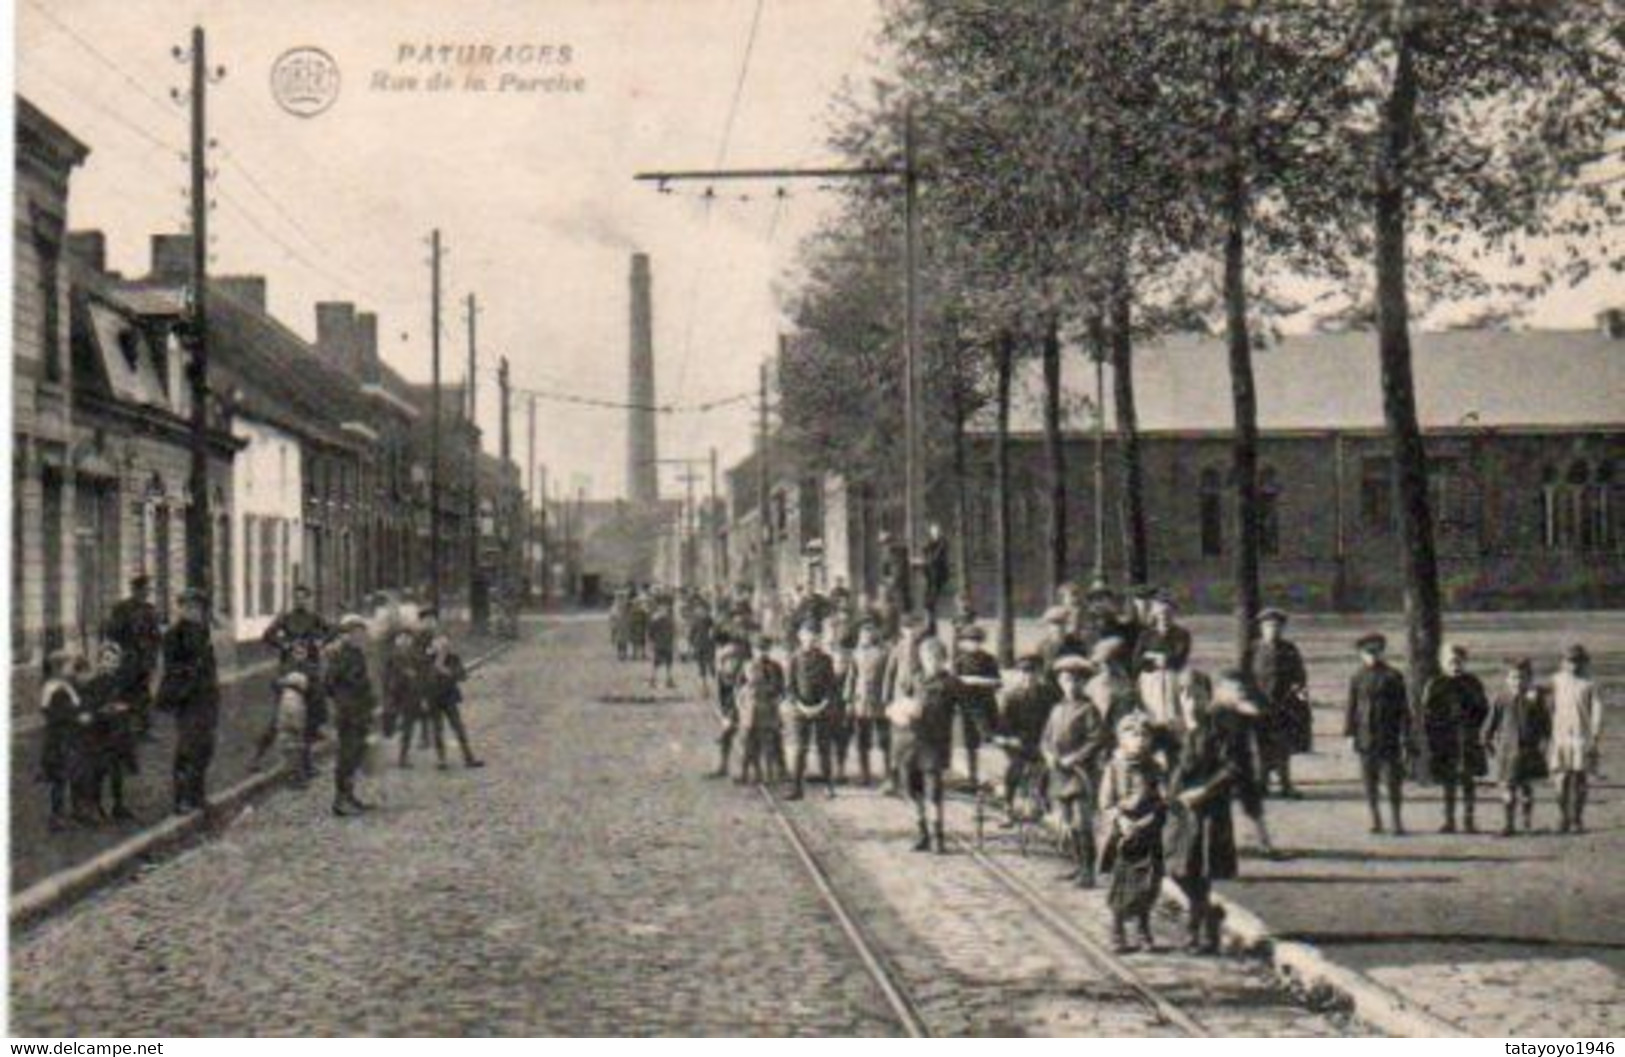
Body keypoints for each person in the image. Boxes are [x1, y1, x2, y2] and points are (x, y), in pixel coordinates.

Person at [1164, 664, 1253, 955]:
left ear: (1207, 695)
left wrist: (1204, 790)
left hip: (1208, 809)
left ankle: (1198, 930)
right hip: (1179, 811)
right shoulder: (1173, 729)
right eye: (1183, 693)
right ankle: (1208, 915)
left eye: (1195, 693)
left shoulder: (1220, 726)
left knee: (1199, 870)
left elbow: (1233, 767)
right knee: (1176, 871)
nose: (1189, 700)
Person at [1042, 655, 1118, 887]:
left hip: (1080, 775)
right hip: (1059, 774)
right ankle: (1077, 864)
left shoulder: (1088, 709)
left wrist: (1074, 757)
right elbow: (1045, 738)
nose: (1071, 685)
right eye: (1066, 680)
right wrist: (1048, 755)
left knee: (1081, 822)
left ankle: (1088, 871)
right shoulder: (1056, 709)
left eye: (1076, 680)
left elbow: (1098, 739)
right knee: (1067, 822)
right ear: (1059, 682)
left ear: (1083, 683)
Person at [1098, 712, 1167, 954]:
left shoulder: (1155, 768)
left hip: (1148, 831)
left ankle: (1143, 928)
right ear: (1121, 740)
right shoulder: (1114, 767)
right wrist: (1121, 819)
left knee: (1147, 883)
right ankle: (1117, 930)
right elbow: (1106, 802)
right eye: (1133, 735)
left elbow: (1162, 801)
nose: (1139, 740)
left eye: (1144, 735)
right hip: (1122, 834)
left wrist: (1149, 819)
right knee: (1121, 882)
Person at [156, 588, 221, 816]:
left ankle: (197, 795)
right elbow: (172, 667)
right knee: (187, 747)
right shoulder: (173, 635)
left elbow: (210, 668)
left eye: (197, 608)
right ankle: (181, 799)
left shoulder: (203, 632)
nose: (193, 611)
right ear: (180, 608)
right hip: (187, 698)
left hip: (206, 698)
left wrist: (213, 693)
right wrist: (190, 674)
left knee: (205, 747)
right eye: (189, 607)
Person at [891, 637, 958, 853]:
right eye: (927, 657)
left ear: (943, 660)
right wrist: (900, 711)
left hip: (934, 745)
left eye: (936, 658)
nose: (931, 662)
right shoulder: (916, 679)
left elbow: (970, 708)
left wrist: (987, 731)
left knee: (933, 792)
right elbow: (901, 702)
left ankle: (937, 837)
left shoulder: (950, 683)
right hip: (910, 743)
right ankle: (923, 834)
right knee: (912, 791)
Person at [261, 584, 337, 768]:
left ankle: (308, 758)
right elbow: (267, 635)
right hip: (290, 667)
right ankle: (259, 755)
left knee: (313, 710)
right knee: (281, 713)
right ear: (293, 599)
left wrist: (320, 643)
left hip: (310, 666)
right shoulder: (286, 618)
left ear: (309, 599)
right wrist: (284, 645)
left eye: (304, 597)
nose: (300, 600)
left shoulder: (314, 618)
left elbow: (333, 631)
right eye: (297, 597)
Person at [1419, 643, 1491, 833]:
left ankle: (1469, 819)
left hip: (1467, 737)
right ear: (1443, 663)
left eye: (1459, 662)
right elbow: (1428, 713)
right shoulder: (1436, 684)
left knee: (1468, 780)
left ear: (1465, 662)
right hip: (1445, 739)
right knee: (1448, 780)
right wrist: (1433, 735)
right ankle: (1449, 820)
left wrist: (1474, 725)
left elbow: (1483, 709)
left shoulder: (1472, 683)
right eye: (1451, 662)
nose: (1455, 666)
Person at [1345, 632, 1411, 835]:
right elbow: (1352, 707)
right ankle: (1376, 820)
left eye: (1376, 652)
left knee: (1392, 782)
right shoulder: (1357, 677)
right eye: (1367, 653)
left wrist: (1405, 734)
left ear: (1382, 653)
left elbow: (1403, 708)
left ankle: (1397, 822)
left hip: (1388, 736)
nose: (1372, 656)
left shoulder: (1393, 676)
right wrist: (1350, 733)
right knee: (1369, 782)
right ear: (1361, 655)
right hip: (1365, 737)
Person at [1484, 657, 1550, 836]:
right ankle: (1508, 824)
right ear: (1507, 680)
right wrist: (1487, 740)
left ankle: (1526, 823)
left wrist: (1544, 743)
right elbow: (1491, 722)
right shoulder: (1501, 699)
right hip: (1507, 752)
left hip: (1529, 751)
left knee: (1526, 787)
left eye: (1522, 678)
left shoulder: (1535, 701)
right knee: (1508, 787)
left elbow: (1546, 725)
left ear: (1529, 679)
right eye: (1514, 678)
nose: (1518, 682)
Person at [1249, 608, 1310, 798]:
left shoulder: (1289, 649)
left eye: (1277, 626)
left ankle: (1285, 784)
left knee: (1283, 747)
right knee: (1260, 746)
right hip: (1259, 706)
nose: (1273, 630)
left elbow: (1299, 675)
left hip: (1284, 705)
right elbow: (1243, 676)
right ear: (1261, 628)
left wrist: (1299, 690)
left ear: (1282, 628)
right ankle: (1261, 785)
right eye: (1268, 626)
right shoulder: (1253, 649)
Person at [995, 649, 1056, 822]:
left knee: (1046, 767)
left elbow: (1054, 720)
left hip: (1041, 742)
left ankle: (1042, 797)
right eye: (1024, 672)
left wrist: (1049, 742)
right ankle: (1008, 805)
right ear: (1019, 674)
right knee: (1015, 768)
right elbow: (1003, 726)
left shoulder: (1049, 695)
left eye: (1033, 672)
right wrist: (1010, 739)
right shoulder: (1011, 697)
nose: (1028, 677)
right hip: (1018, 743)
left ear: (1039, 673)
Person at [1548, 644, 1603, 834]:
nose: (1574, 666)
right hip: (1560, 736)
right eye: (1569, 662)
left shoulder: (1590, 684)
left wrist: (1595, 734)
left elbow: (1597, 709)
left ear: (1585, 663)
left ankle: (1577, 819)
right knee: (1560, 778)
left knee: (1579, 778)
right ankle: (1563, 817)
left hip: (1581, 736)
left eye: (1578, 662)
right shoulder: (1556, 681)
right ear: (1562, 663)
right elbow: (1549, 706)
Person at [327, 614, 377, 816]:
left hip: (359, 710)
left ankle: (349, 795)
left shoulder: (355, 653)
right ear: (345, 634)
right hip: (348, 711)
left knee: (356, 754)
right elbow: (329, 682)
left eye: (361, 632)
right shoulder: (340, 655)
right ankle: (340, 800)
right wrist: (344, 699)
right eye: (355, 632)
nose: (359, 635)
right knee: (346, 756)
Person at [102, 573, 162, 738]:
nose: (146, 593)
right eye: (143, 590)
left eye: (148, 590)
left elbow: (156, 636)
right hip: (128, 658)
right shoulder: (122, 608)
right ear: (134, 590)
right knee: (124, 693)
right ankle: (123, 728)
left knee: (144, 694)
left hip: (144, 659)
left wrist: (153, 657)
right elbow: (112, 633)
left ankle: (145, 729)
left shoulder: (150, 610)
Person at [85, 641, 139, 822]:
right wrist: (106, 710)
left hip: (118, 732)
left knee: (117, 771)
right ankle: (96, 806)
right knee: (99, 771)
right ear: (99, 661)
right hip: (100, 733)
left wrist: (127, 708)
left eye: (115, 660)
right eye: (107, 659)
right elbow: (90, 710)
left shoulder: (120, 682)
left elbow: (131, 702)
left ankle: (118, 805)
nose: (111, 664)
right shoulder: (93, 684)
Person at [38, 649, 91, 829]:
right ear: (60, 668)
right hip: (61, 740)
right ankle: (57, 817)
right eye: (69, 665)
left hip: (66, 738)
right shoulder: (56, 689)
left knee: (71, 774)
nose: (72, 668)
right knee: (60, 778)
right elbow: (57, 714)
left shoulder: (63, 685)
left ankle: (73, 812)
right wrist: (78, 718)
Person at [786, 622, 839, 800]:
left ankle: (828, 787)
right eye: (807, 636)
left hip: (822, 710)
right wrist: (801, 706)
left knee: (824, 749)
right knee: (800, 750)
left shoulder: (826, 660)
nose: (810, 640)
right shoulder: (794, 659)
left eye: (814, 637)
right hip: (801, 710)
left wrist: (821, 705)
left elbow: (832, 687)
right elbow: (790, 687)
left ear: (818, 639)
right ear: (800, 637)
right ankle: (796, 788)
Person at [880, 615, 927, 796]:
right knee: (896, 740)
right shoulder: (897, 648)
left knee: (915, 737)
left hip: (916, 698)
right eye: (907, 629)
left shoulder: (922, 648)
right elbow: (889, 672)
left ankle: (914, 780)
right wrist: (886, 697)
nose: (911, 632)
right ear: (902, 630)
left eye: (914, 628)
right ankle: (892, 779)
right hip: (898, 698)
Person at [425, 631, 485, 770]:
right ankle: (441, 760)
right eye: (438, 643)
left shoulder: (453, 658)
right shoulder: (427, 659)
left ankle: (469, 758)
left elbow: (462, 676)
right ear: (433, 644)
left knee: (458, 728)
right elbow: (426, 680)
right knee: (437, 730)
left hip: (449, 697)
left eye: (444, 643)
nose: (441, 646)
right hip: (433, 698)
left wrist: (443, 668)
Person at [952, 624, 1001, 789]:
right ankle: (973, 778)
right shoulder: (959, 661)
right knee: (969, 743)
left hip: (986, 706)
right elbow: (954, 683)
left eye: (977, 640)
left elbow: (997, 682)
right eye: (970, 640)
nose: (974, 643)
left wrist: (976, 680)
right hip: (967, 707)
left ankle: (991, 776)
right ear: (963, 642)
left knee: (989, 740)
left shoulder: (989, 660)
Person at [843, 621, 892, 787]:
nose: (866, 637)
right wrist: (848, 699)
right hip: (860, 700)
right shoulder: (855, 654)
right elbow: (851, 677)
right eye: (863, 634)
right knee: (862, 739)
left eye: (869, 634)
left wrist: (887, 698)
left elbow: (888, 677)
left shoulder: (884, 653)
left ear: (874, 636)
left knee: (884, 738)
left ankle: (889, 775)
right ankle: (865, 775)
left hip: (879, 700)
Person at [738, 634, 786, 786]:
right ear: (753, 650)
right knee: (749, 744)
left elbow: (781, 689)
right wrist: (742, 706)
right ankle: (748, 773)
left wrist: (775, 700)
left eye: (765, 649)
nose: (762, 653)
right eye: (759, 649)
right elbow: (738, 687)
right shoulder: (747, 665)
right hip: (750, 712)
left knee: (771, 744)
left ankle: (774, 773)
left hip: (769, 710)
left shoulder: (775, 667)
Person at [711, 630, 750, 778]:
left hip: (743, 703)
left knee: (744, 736)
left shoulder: (743, 673)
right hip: (729, 702)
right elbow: (721, 693)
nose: (730, 663)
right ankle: (723, 766)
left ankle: (744, 770)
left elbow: (744, 693)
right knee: (726, 734)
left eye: (733, 660)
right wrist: (723, 714)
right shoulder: (722, 674)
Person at [1131, 589, 1192, 677]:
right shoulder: (1146, 635)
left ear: (1173, 613)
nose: (1164, 617)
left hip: (1172, 679)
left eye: (1167, 613)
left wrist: (1150, 656)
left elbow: (1178, 661)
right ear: (1155, 613)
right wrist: (1159, 660)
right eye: (1161, 613)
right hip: (1149, 681)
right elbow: (1136, 662)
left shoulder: (1182, 635)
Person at [270, 670, 313, 785]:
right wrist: (300, 728)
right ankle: (293, 779)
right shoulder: (292, 699)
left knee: (294, 755)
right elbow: (296, 719)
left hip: (288, 731)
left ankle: (297, 776)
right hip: (289, 732)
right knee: (292, 757)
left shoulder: (290, 696)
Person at [919, 521, 950, 634]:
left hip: (938, 575)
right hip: (930, 575)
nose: (935, 533)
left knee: (931, 601)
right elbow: (925, 550)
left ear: (940, 532)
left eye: (937, 531)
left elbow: (935, 559)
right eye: (933, 532)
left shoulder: (943, 543)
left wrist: (923, 562)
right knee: (927, 602)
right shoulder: (930, 543)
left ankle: (932, 626)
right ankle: (930, 625)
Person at [647, 596, 676, 690]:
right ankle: (654, 679)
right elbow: (650, 633)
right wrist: (651, 643)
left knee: (667, 663)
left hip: (665, 644)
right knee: (658, 663)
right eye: (663, 610)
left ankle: (667, 680)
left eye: (665, 610)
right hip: (661, 644)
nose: (664, 611)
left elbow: (672, 633)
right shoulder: (658, 621)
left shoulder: (667, 620)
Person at [689, 602, 717, 691]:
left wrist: (691, 644)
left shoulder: (697, 620)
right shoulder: (710, 620)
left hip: (702, 645)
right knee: (708, 666)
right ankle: (708, 686)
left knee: (704, 667)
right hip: (706, 645)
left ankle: (706, 687)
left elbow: (691, 634)